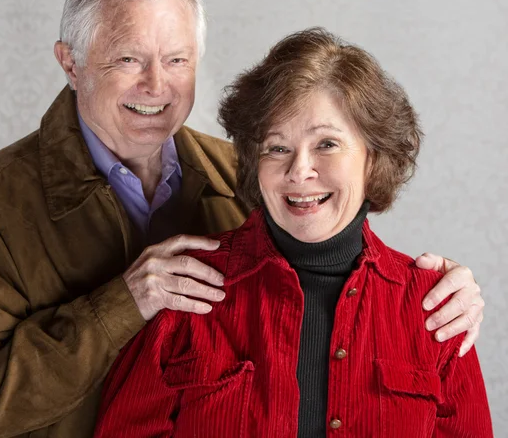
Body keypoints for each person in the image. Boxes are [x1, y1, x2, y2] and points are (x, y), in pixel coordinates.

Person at [0, 0, 484, 438]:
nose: (155, 85)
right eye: (127, 59)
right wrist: (122, 304)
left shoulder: (240, 171)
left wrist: (442, 286)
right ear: (70, 62)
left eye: (177, 60)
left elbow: (325, 242)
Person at [93, 28, 493, 438]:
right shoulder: (184, 291)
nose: (299, 171)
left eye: (327, 144)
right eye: (277, 148)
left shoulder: (436, 309)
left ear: (373, 159)